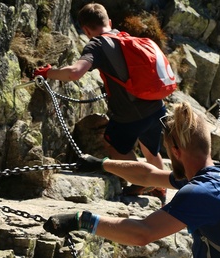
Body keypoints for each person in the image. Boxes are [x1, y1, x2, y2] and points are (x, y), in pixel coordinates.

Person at [43, 102, 220, 257]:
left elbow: (143, 234)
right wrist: (102, 164)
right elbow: (149, 175)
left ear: (176, 152)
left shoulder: (200, 193)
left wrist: (82, 220)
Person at [33, 3, 166, 201]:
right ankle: (161, 186)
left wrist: (47, 72)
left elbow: (75, 73)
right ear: (109, 22)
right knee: (151, 148)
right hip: (156, 105)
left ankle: (143, 181)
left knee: (114, 144)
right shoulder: (124, 37)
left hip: (130, 114)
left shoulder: (97, 45)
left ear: (86, 29)